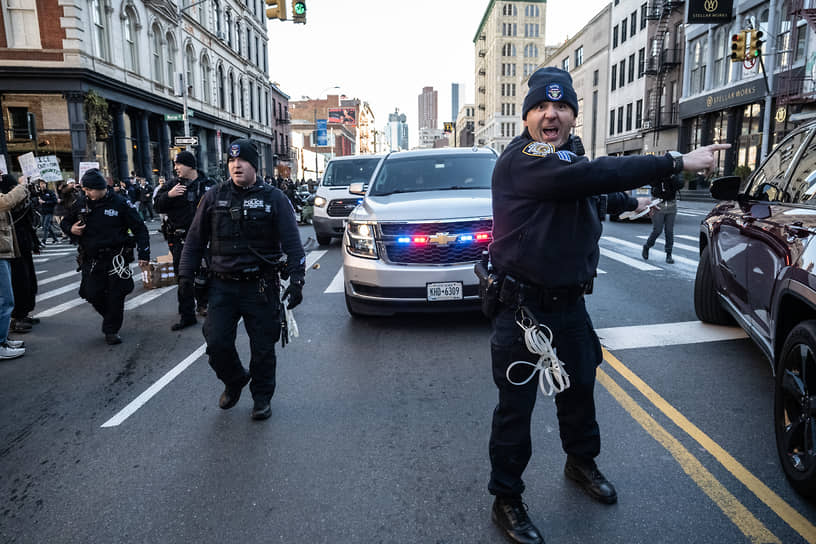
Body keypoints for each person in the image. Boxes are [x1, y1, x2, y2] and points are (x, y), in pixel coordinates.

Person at [486, 67, 729, 544]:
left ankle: (581, 464)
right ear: (528, 117)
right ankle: (507, 498)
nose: (550, 114)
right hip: (523, 310)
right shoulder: (526, 155)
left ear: (574, 115)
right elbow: (591, 174)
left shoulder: (567, 156)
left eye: (560, 107)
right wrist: (673, 161)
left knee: (580, 395)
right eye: (540, 107)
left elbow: (593, 188)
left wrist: (634, 201)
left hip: (569, 306)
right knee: (515, 410)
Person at [179, 139, 305, 420]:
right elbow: (194, 241)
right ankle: (235, 379)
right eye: (232, 161)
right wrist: (185, 276)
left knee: (262, 347)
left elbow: (293, 245)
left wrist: (297, 280)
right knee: (216, 342)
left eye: (243, 161)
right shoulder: (213, 196)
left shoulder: (275, 198)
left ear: (254, 165)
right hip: (222, 285)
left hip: (260, 286)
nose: (236, 165)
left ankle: (262, 398)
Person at [61, 169, 150, 345]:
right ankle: (110, 316)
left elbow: (140, 228)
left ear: (100, 187)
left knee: (117, 294)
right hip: (92, 258)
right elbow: (65, 221)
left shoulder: (121, 203)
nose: (86, 193)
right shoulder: (81, 204)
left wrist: (144, 254)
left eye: (89, 190)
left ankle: (111, 329)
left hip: (117, 257)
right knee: (90, 293)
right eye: (84, 190)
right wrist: (71, 229)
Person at [154, 151, 216, 330]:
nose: (176, 168)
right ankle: (186, 315)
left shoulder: (208, 185)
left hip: (205, 240)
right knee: (184, 278)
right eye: (175, 164)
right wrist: (169, 195)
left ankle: (203, 303)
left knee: (206, 274)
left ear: (190, 165)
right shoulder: (172, 185)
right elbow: (157, 205)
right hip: (180, 240)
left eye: (179, 164)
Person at [2, 175, 41, 333]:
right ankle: (16, 318)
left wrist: (35, 243)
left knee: (28, 280)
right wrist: (21, 187)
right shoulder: (6, 201)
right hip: (9, 249)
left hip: (23, 245)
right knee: (17, 284)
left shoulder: (19, 201)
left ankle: (24, 313)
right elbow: (8, 202)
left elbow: (29, 222)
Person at [0, 174, 29, 359]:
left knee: (5, 299)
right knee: (5, 300)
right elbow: (5, 203)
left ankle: (3, 339)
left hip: (3, 250)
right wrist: (21, 186)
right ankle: (1, 344)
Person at [641, 173, 685, 264]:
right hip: (658, 204)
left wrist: (672, 177)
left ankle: (669, 254)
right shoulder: (659, 170)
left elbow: (681, 184)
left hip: (671, 205)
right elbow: (652, 183)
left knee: (669, 231)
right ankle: (647, 246)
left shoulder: (675, 173)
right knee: (657, 230)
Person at [37, 180, 59, 244]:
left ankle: (44, 240)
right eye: (41, 184)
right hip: (42, 212)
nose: (43, 185)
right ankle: (55, 239)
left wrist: (45, 202)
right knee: (47, 226)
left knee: (46, 226)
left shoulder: (50, 192)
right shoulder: (39, 193)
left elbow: (54, 201)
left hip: (49, 211)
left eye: (44, 183)